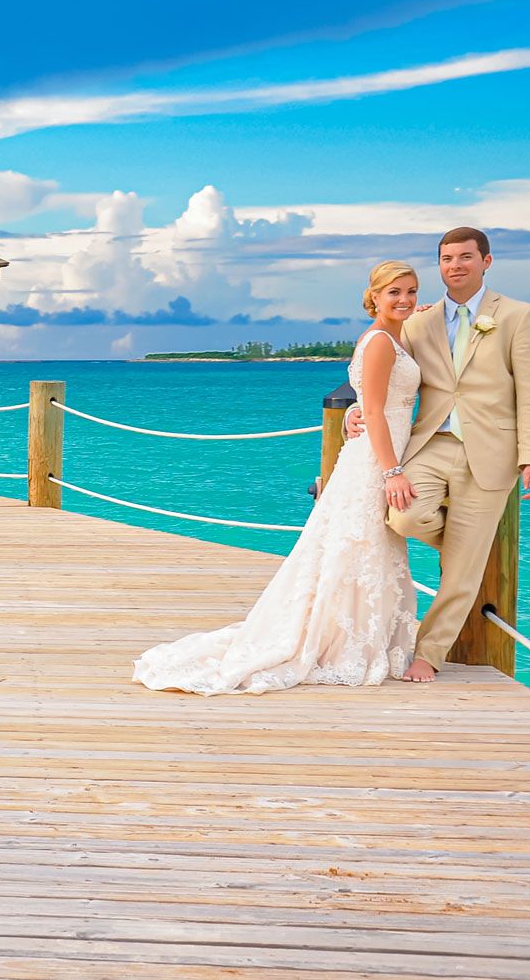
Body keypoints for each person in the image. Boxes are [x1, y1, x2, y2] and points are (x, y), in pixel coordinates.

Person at [132, 262, 422, 694]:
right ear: (374, 296)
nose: (404, 300)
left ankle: (358, 634)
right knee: (356, 546)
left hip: (373, 452)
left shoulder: (397, 334)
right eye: (394, 292)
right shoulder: (380, 342)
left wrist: (353, 420)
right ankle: (338, 642)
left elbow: (370, 403)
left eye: (412, 292)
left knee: (360, 549)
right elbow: (376, 409)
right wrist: (392, 471)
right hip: (375, 461)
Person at [345, 227, 530, 681]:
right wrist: (353, 414)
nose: (455, 266)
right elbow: (378, 367)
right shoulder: (418, 320)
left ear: (486, 261)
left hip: (494, 452)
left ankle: (430, 653)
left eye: (465, 257)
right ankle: (468, 548)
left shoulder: (519, 315)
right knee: (402, 516)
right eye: (446, 259)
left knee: (460, 573)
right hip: (430, 443)